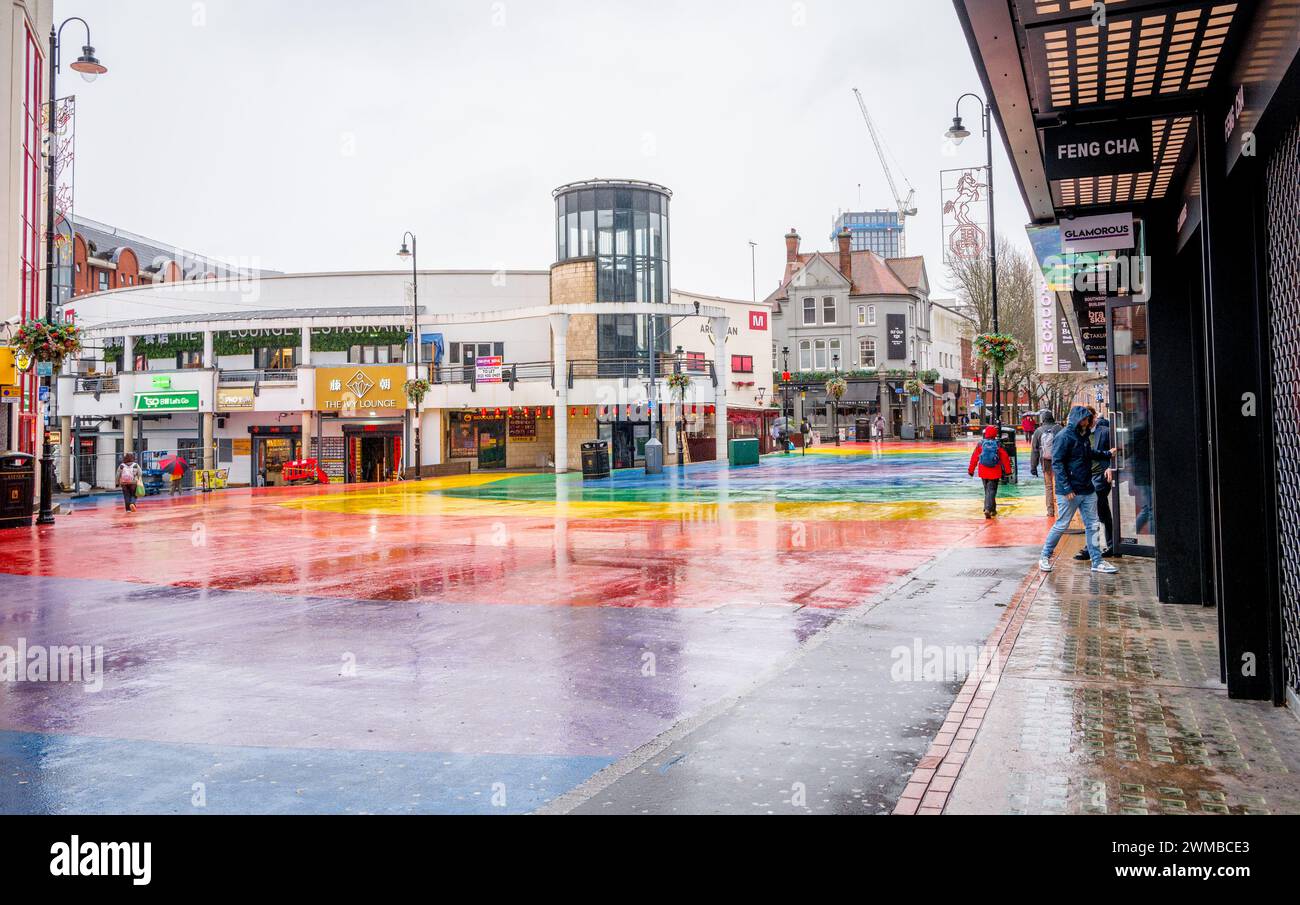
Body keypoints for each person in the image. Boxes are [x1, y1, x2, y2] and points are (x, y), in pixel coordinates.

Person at [1040, 405, 1118, 574]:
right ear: (1077, 420)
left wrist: (1107, 454)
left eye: (1088, 419)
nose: (1087, 422)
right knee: (1061, 524)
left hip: (1086, 488)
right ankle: (1044, 556)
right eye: (1084, 419)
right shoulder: (1064, 437)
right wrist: (1067, 488)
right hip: (1070, 491)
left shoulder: (1082, 436)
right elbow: (1057, 463)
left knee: (1093, 525)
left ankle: (1097, 561)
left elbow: (1088, 453)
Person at [1075, 406, 1115, 560]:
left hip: (1100, 476)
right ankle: (1111, 544)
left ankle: (1093, 548)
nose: (1086, 421)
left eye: (1088, 418)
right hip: (1085, 477)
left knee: (1094, 512)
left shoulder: (1104, 431)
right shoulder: (1079, 434)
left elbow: (1116, 450)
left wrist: (1111, 467)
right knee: (1102, 512)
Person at [968, 425, 1012, 519]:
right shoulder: (998, 444)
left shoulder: (980, 444)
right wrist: (1008, 471)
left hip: (983, 471)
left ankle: (992, 509)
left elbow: (974, 458)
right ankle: (988, 508)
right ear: (995, 434)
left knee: (987, 490)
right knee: (992, 490)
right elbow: (1005, 458)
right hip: (995, 470)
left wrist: (971, 470)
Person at [1028, 410, 1059, 518]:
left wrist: (1033, 466)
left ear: (1043, 419)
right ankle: (1060, 509)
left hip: (1045, 462)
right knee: (1059, 485)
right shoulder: (1059, 429)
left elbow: (1034, 450)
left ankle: (1050, 511)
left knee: (1049, 486)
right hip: (1059, 461)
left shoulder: (1038, 431)